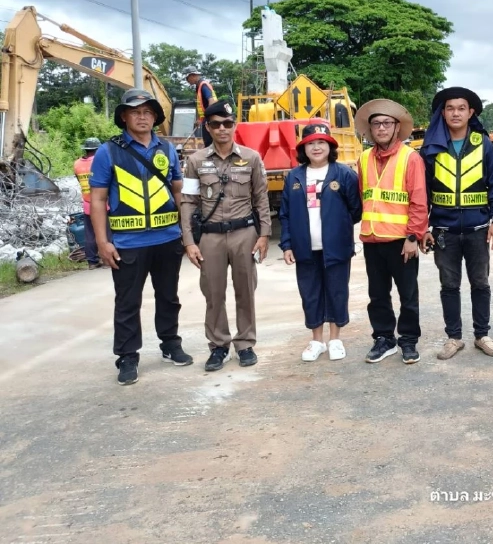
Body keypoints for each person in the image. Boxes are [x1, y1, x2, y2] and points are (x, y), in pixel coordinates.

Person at [89, 89, 193, 386]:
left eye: (148, 112)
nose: (143, 117)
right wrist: (102, 242)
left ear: (155, 117)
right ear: (124, 116)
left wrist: (186, 234)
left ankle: (170, 344)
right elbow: (97, 199)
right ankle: (127, 356)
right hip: (127, 243)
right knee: (127, 302)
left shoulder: (167, 149)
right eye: (135, 112)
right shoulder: (108, 151)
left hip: (167, 239)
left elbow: (178, 192)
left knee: (169, 296)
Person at [181, 101, 271, 372]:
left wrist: (264, 234)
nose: (222, 129)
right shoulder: (195, 161)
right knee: (213, 293)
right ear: (208, 127)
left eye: (227, 123)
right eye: (216, 124)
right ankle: (218, 345)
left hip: (245, 234)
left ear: (234, 126)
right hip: (210, 237)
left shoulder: (251, 158)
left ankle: (245, 344)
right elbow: (188, 202)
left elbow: (261, 198)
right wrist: (189, 241)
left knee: (246, 291)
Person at [420, 87, 493, 360]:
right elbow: (422, 191)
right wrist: (423, 228)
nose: (455, 113)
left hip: (478, 229)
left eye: (461, 108)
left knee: (480, 283)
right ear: (443, 113)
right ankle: (454, 338)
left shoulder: (483, 144)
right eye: (450, 108)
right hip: (444, 231)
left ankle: (482, 335)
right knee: (449, 285)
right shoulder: (432, 147)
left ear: (470, 113)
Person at [279, 123, 362, 362]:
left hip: (336, 248)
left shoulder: (344, 174)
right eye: (311, 143)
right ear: (303, 149)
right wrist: (287, 244)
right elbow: (285, 214)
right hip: (305, 249)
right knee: (310, 294)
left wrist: (338, 229)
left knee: (337, 292)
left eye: (321, 142)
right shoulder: (294, 177)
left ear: (330, 146)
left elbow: (356, 210)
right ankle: (317, 341)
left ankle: (335, 339)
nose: (316, 147)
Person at [356, 99, 428, 365]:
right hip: (372, 239)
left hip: (401, 241)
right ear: (370, 129)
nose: (382, 128)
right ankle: (384, 339)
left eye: (387, 123)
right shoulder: (363, 159)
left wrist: (413, 237)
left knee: (408, 295)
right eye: (376, 123)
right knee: (377, 295)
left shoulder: (411, 158)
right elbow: (363, 195)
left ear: (397, 127)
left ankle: (408, 340)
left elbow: (419, 201)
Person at [74, 137, 102, 269]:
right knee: (107, 231)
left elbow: (79, 180)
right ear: (97, 149)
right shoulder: (99, 161)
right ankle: (108, 259)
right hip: (102, 203)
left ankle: (92, 261)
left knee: (90, 233)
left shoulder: (77, 164)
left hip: (87, 203)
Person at [185, 66, 217, 147]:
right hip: (207, 118)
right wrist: (200, 119)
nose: (187, 80)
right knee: (208, 142)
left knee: (209, 143)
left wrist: (208, 119)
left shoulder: (203, 85)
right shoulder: (199, 86)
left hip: (210, 119)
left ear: (192, 75)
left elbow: (211, 101)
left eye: (187, 78)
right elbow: (202, 106)